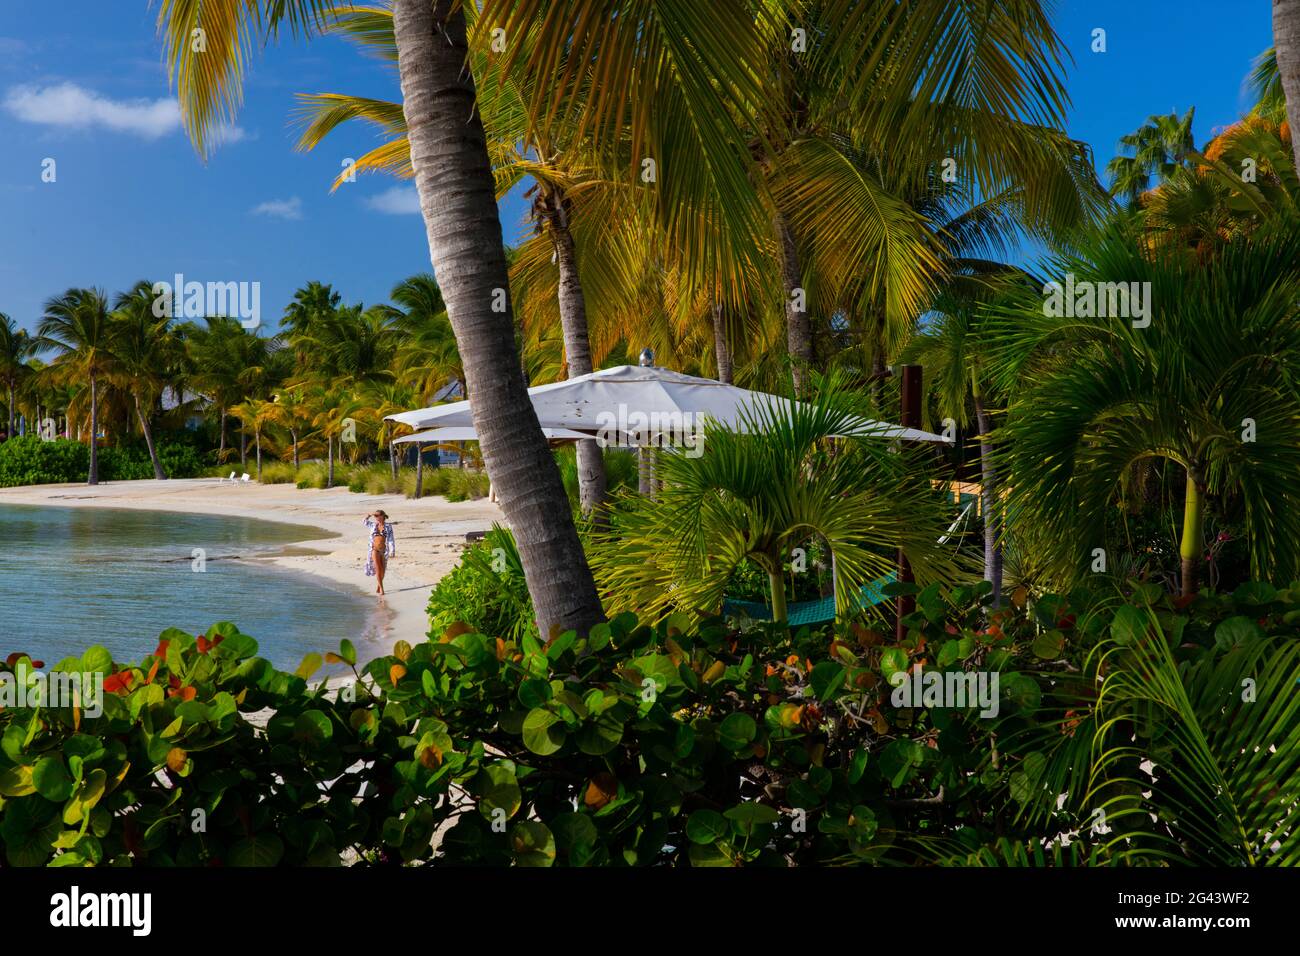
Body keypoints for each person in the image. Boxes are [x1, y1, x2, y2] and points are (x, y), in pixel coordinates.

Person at [363, 510, 396, 595]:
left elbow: (391, 539)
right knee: (378, 569)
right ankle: (382, 589)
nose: (376, 518)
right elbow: (364, 522)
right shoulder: (373, 525)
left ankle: (379, 584)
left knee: (383, 570)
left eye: (378, 516)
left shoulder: (388, 526)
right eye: (376, 516)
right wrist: (369, 515)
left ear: (383, 516)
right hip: (374, 550)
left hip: (384, 551)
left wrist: (392, 550)